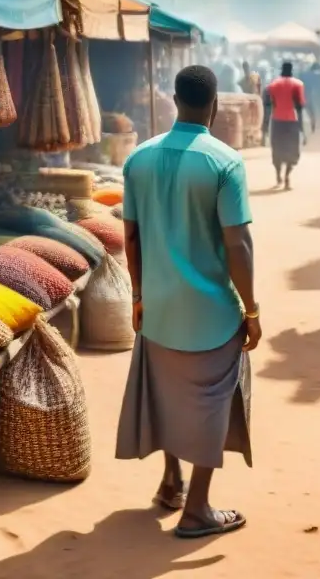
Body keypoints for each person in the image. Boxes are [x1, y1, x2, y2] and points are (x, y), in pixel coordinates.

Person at [117, 64, 260, 539]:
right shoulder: (225, 162)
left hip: (156, 306)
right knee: (211, 403)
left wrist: (138, 296)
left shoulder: (138, 159)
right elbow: (237, 245)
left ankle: (171, 481)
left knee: (168, 393)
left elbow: (131, 239)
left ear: (174, 101)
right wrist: (253, 309)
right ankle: (196, 509)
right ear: (215, 106)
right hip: (211, 312)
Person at [262, 61, 306, 189]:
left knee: (277, 149)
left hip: (277, 122)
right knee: (291, 150)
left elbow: (267, 108)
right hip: (292, 122)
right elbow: (299, 108)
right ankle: (287, 176)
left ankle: (278, 175)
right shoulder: (298, 85)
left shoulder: (272, 85)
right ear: (292, 70)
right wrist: (302, 128)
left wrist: (265, 127)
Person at [302, 63, 320, 132]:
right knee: (312, 113)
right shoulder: (317, 76)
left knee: (302, 112)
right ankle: (312, 127)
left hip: (303, 95)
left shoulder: (303, 74)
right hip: (309, 96)